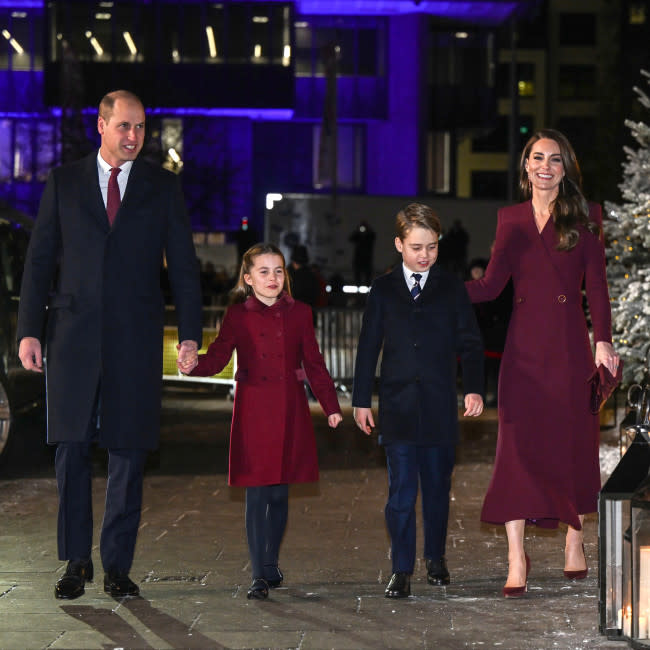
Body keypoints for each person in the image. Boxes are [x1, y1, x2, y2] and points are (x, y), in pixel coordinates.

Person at [17, 90, 203, 600]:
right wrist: (28, 330)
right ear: (101, 125)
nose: (134, 137)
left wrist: (190, 334)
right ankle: (77, 561)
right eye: (124, 126)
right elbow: (39, 261)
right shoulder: (64, 182)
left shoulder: (163, 188)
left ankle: (118, 565)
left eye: (141, 128)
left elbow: (184, 267)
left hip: (135, 340)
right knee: (71, 449)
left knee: (128, 451)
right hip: (71, 337)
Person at [464, 129, 620, 598]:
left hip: (571, 347)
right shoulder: (509, 219)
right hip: (524, 350)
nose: (545, 166)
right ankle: (516, 556)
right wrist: (438, 288)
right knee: (515, 449)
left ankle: (575, 538)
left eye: (554, 159)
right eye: (537, 157)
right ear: (526, 166)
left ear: (565, 167)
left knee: (574, 442)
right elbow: (491, 287)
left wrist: (604, 341)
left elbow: (597, 286)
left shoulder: (587, 217)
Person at [180, 243, 343, 600]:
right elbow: (221, 355)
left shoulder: (300, 313)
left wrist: (330, 405)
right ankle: (258, 574)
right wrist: (195, 364)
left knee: (280, 492)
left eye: (279, 271)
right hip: (253, 409)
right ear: (248, 278)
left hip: (290, 408)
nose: (273, 278)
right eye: (264, 271)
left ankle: (270, 563)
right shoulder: (238, 315)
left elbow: (314, 362)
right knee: (256, 493)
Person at [352, 203, 485, 599]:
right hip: (397, 408)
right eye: (415, 247)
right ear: (398, 245)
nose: (424, 255)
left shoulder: (451, 287)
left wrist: (474, 388)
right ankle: (401, 567)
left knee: (437, 490)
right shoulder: (382, 289)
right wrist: (361, 400)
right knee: (401, 493)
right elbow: (368, 347)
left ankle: (436, 557)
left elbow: (471, 343)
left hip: (440, 407)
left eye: (431, 246)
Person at [349, 220, 376, 286]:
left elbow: (373, 236)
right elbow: (351, 238)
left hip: (367, 259)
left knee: (367, 274)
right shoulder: (358, 235)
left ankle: (368, 286)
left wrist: (368, 231)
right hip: (358, 258)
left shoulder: (369, 235)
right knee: (357, 274)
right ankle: (358, 285)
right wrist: (358, 232)